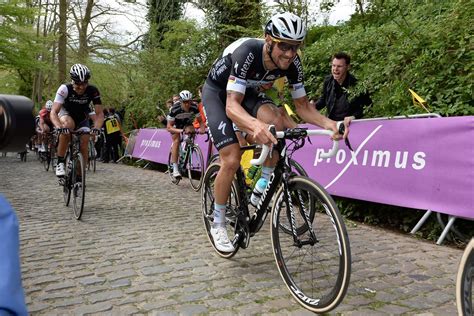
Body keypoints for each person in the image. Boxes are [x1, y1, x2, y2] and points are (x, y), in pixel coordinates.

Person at [201, 12, 349, 252]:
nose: (290, 54)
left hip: (247, 92)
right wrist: (254, 125)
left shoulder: (293, 64)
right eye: (284, 46)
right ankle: (218, 222)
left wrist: (329, 124)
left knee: (277, 121)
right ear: (268, 39)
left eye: (296, 47)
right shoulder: (247, 52)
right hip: (219, 94)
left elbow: (302, 107)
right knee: (231, 157)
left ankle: (262, 185)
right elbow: (231, 105)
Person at [50, 64, 104, 178]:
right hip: (66, 113)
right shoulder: (64, 89)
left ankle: (79, 177)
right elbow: (54, 112)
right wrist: (59, 126)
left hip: (82, 115)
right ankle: (60, 162)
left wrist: (97, 128)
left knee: (84, 140)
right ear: (72, 81)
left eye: (84, 83)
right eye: (78, 84)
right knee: (67, 126)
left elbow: (99, 114)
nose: (82, 87)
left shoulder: (93, 90)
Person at [311, 52, 372, 123]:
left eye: (339, 66)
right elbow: (324, 100)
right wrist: (314, 106)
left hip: (351, 124)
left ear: (348, 67)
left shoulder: (358, 85)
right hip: (332, 124)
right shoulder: (328, 81)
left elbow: (368, 106)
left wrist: (354, 117)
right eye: (333, 66)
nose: (335, 69)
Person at [167, 90, 205, 179]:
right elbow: (169, 127)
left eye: (189, 102)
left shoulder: (194, 107)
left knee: (191, 130)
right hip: (175, 125)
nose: (187, 104)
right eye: (185, 102)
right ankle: (175, 168)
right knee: (176, 140)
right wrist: (180, 131)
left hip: (185, 122)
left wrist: (202, 129)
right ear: (181, 101)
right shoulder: (174, 109)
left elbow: (200, 121)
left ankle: (187, 148)